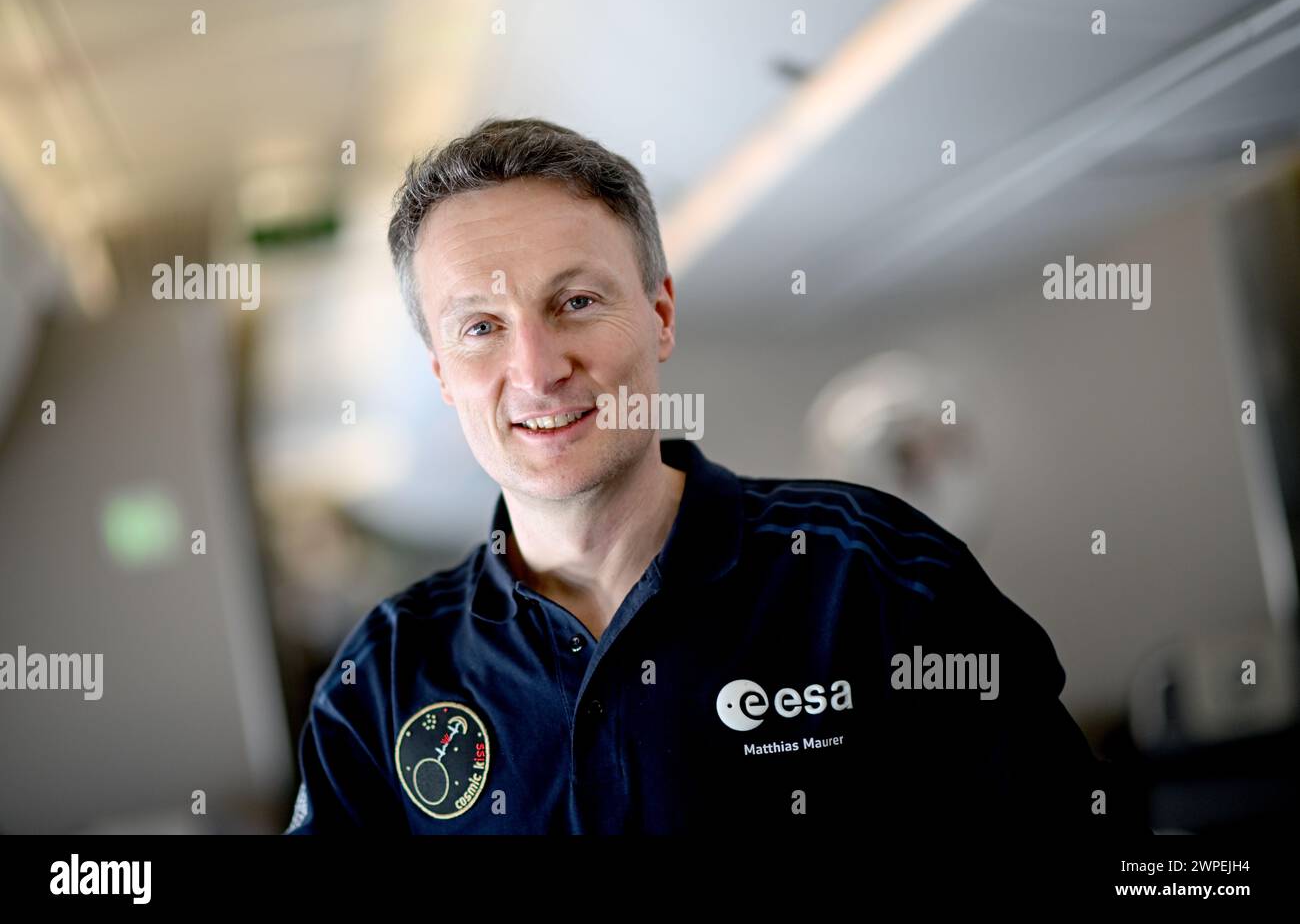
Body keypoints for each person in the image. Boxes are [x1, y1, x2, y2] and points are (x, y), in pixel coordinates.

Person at [284, 117, 1144, 834]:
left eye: (576, 301)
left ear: (659, 316)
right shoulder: (387, 681)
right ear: (441, 371)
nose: (539, 369)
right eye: (481, 326)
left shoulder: (874, 578)